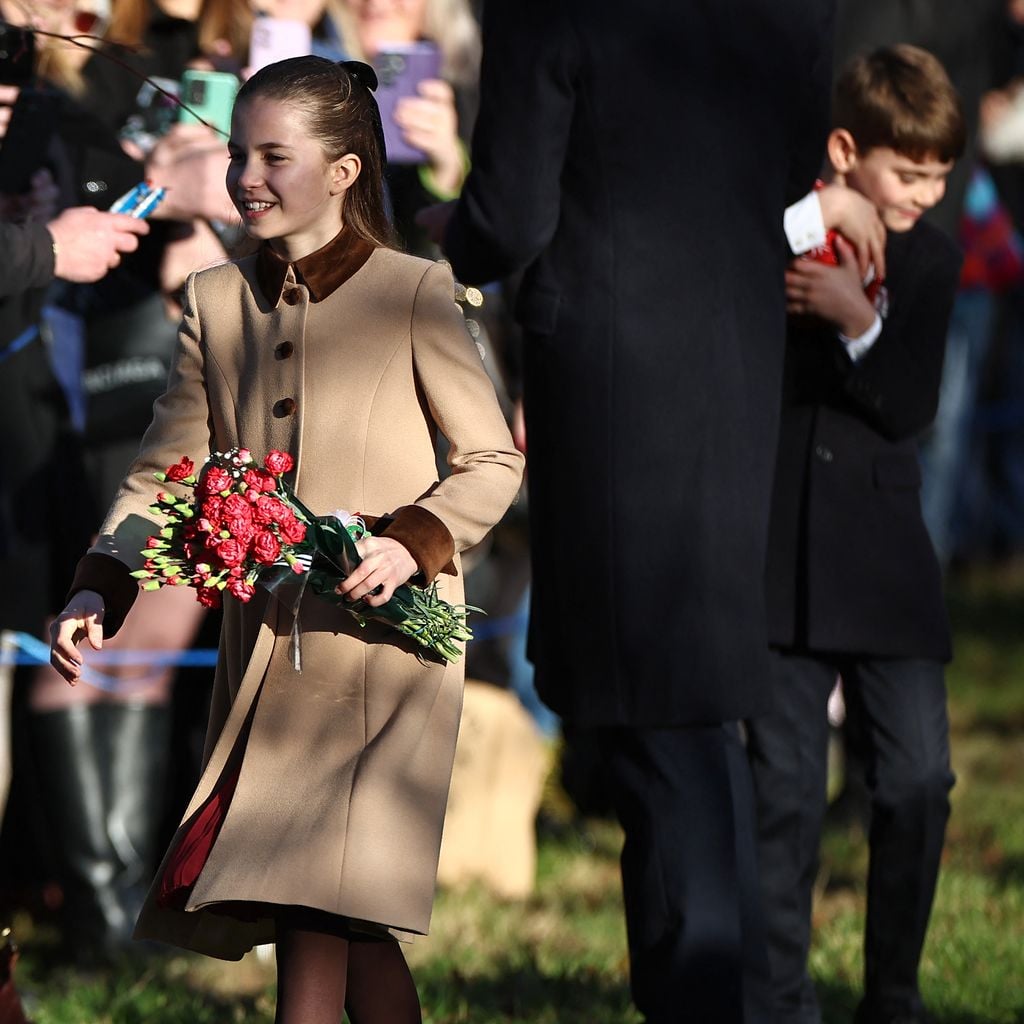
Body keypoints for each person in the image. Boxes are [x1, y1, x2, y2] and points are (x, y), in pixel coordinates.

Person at [49, 54, 522, 1021]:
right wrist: (104, 579)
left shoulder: (415, 290)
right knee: (346, 920)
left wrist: (412, 541)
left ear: (345, 171)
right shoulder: (216, 302)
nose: (244, 177)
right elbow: (165, 471)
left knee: (319, 898)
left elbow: (490, 461)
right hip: (273, 646)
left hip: (385, 647)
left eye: (274, 155)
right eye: (236, 154)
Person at [435, 2, 836, 1021]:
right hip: (737, 356)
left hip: (616, 384)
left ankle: (710, 1000)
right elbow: (794, 182)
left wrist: (431, 239)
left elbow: (509, 215)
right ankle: (749, 994)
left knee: (660, 722)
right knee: (694, 710)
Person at [746, 44, 966, 1024]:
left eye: (938, 175)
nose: (924, 191)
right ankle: (777, 1000)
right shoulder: (785, 223)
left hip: (883, 560)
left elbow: (910, 403)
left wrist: (854, 322)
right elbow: (732, 243)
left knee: (917, 776)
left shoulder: (933, 255)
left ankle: (892, 991)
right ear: (845, 149)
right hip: (779, 551)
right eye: (905, 172)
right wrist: (819, 219)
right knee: (783, 793)